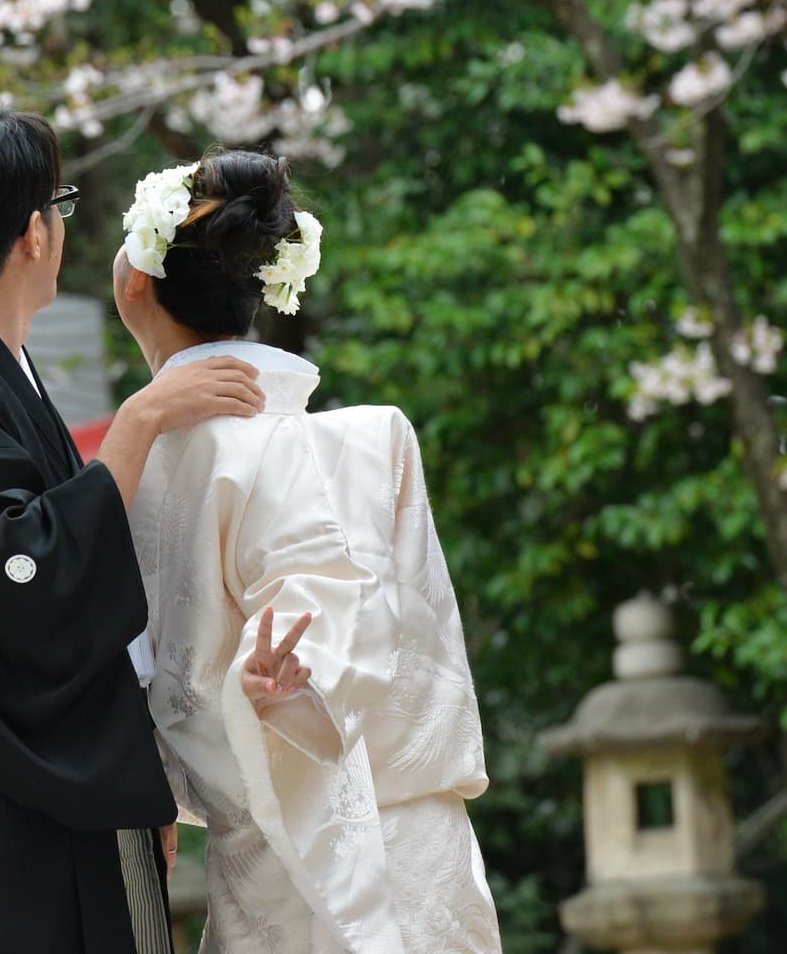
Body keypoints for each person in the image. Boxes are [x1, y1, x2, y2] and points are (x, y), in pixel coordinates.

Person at [0, 97, 266, 954]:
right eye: (59, 206)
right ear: (34, 235)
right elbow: (26, 575)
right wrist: (139, 421)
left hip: (50, 803)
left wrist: (133, 774)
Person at [114, 150, 502, 954]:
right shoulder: (370, 442)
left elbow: (294, 607)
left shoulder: (154, 466)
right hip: (414, 853)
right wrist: (278, 688)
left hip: (286, 864)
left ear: (134, 283)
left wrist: (268, 687)